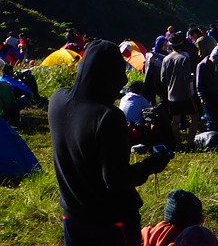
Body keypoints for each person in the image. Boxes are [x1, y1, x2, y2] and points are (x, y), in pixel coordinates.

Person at [50, 40, 174, 246]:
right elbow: (116, 180)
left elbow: (83, 144)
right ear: (108, 76)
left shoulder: (57, 100)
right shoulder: (108, 116)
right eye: (119, 73)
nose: (123, 80)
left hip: (72, 214)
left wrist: (125, 139)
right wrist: (153, 164)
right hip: (110, 220)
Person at [195, 38, 218, 136]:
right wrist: (201, 96)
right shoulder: (202, 65)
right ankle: (211, 136)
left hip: (217, 93)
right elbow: (199, 83)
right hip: (207, 94)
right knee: (210, 117)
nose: (217, 62)